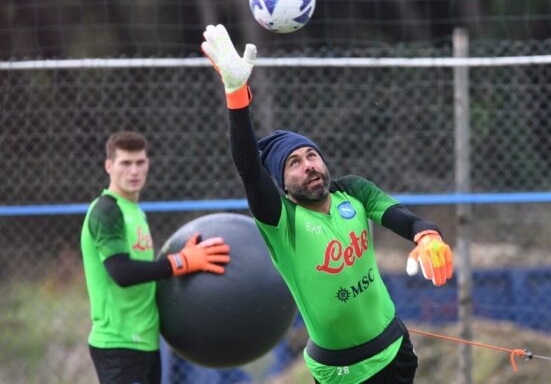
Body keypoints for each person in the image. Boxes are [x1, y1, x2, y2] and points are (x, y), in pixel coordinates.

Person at [201, 24, 454, 384]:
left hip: (395, 351)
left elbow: (405, 220)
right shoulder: (281, 220)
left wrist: (427, 236)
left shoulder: (353, 192)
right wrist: (236, 93)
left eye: (311, 155)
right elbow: (247, 167)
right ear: (281, 182)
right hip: (341, 373)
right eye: (294, 163)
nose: (309, 166)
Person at [80, 131, 231, 384]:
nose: (134, 171)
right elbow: (122, 272)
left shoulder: (136, 212)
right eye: (125, 163)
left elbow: (149, 272)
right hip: (118, 344)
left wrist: (185, 258)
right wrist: (182, 262)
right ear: (109, 166)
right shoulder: (106, 211)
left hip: (147, 341)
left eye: (140, 162)